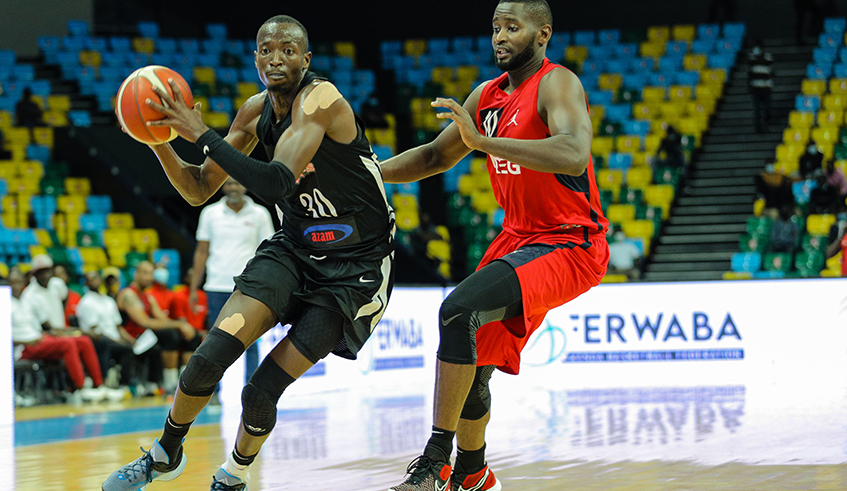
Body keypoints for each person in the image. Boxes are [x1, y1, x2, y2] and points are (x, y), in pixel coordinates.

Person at [103, 14, 395, 491]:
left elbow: (277, 179)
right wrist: (159, 142)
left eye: (286, 49)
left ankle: (235, 474)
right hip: (296, 248)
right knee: (209, 353)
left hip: (355, 267)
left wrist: (201, 133)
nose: (276, 57)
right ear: (256, 58)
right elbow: (199, 188)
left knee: (260, 389)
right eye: (266, 49)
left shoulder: (320, 99)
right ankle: (165, 452)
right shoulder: (254, 110)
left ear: (306, 58)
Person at [379, 2, 609, 490]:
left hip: (570, 241)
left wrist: (484, 145)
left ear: (542, 34)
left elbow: (573, 154)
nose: (500, 36)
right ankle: (473, 474)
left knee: (457, 310)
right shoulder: (486, 95)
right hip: (517, 238)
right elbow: (435, 155)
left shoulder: (557, 83)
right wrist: (369, 176)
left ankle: (435, 461)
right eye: (495, 28)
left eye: (512, 27)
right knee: (474, 362)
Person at [191, 176, 273, 382]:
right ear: (222, 187)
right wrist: (193, 288)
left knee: (252, 340)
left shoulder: (260, 214)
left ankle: (251, 388)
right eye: (228, 183)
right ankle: (211, 389)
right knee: (213, 342)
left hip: (249, 286)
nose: (233, 187)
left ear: (245, 185)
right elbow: (201, 252)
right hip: (216, 285)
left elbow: (269, 251)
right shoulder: (209, 214)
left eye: (237, 182)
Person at [11, 267, 119, 403]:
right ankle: (80, 388)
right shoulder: (7, 304)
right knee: (67, 344)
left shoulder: (25, 303)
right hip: (24, 347)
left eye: (19, 282)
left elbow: (37, 327)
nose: (16, 286)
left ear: (23, 284)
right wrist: (28, 341)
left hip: (39, 339)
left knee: (84, 340)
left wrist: (47, 335)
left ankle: (99, 385)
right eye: (13, 282)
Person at [116, 261, 199, 395]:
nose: (149, 277)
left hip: (146, 337)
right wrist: (178, 325)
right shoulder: (129, 294)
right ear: (135, 274)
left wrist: (182, 327)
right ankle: (170, 383)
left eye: (151, 274)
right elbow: (144, 322)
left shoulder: (147, 296)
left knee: (190, 336)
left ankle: (186, 380)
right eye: (145, 273)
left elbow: (162, 319)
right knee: (170, 335)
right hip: (132, 338)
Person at [76, 270, 145, 395]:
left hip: (115, 339)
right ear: (86, 283)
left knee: (135, 346)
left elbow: (118, 326)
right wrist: (119, 341)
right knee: (124, 349)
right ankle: (120, 384)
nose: (94, 281)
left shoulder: (108, 301)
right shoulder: (86, 302)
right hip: (99, 341)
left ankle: (140, 383)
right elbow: (96, 331)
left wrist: (130, 339)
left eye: (96, 278)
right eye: (90, 279)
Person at [172, 267, 208, 335]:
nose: (194, 279)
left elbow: (207, 317)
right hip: (188, 333)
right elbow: (181, 320)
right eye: (191, 276)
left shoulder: (203, 295)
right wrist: (196, 334)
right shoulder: (179, 295)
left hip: (204, 333)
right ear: (186, 278)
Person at [748, 41, 774, 133]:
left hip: (766, 88)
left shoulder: (767, 57)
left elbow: (770, 68)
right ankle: (757, 128)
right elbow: (750, 73)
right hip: (756, 89)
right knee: (757, 109)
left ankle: (767, 121)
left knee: (766, 107)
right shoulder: (752, 59)